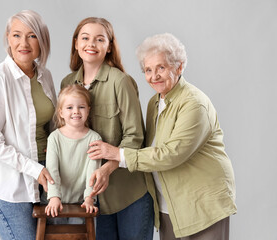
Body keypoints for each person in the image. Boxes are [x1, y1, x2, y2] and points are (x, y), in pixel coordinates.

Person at [87, 33, 237, 240]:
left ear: (179, 67)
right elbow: (150, 148)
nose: (154, 76)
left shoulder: (194, 103)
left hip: (202, 205)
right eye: (148, 70)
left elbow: (171, 154)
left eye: (161, 68)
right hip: (170, 205)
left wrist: (118, 154)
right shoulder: (155, 103)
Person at [61, 17, 155, 240]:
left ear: (109, 46)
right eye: (85, 38)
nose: (91, 44)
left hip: (128, 193)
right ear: (76, 43)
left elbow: (135, 136)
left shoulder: (120, 81)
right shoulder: (66, 83)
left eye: (99, 39)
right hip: (90, 198)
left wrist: (107, 168)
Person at [0, 10, 57, 240]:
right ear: (8, 38)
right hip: (9, 184)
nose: (24, 43)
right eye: (17, 35)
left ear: (42, 40)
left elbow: (53, 126)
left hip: (45, 176)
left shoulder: (45, 76)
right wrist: (34, 168)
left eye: (32, 36)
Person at [45, 84, 101, 223]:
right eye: (69, 107)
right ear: (61, 112)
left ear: (88, 110)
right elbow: (52, 170)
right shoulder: (54, 138)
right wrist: (54, 197)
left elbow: (93, 172)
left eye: (81, 107)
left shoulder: (94, 138)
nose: (76, 111)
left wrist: (89, 198)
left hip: (81, 201)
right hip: (56, 200)